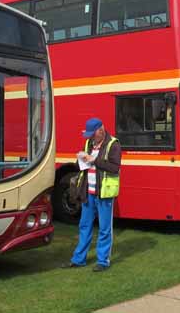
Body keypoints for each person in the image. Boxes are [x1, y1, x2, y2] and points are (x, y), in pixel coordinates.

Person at [61, 117, 121, 272]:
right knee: (84, 225)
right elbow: (83, 166)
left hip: (104, 193)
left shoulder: (113, 144)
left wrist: (93, 160)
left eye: (93, 134)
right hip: (88, 192)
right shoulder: (89, 143)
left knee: (104, 228)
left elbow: (114, 168)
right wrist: (80, 160)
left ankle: (103, 261)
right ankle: (78, 259)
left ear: (101, 130)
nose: (90, 138)